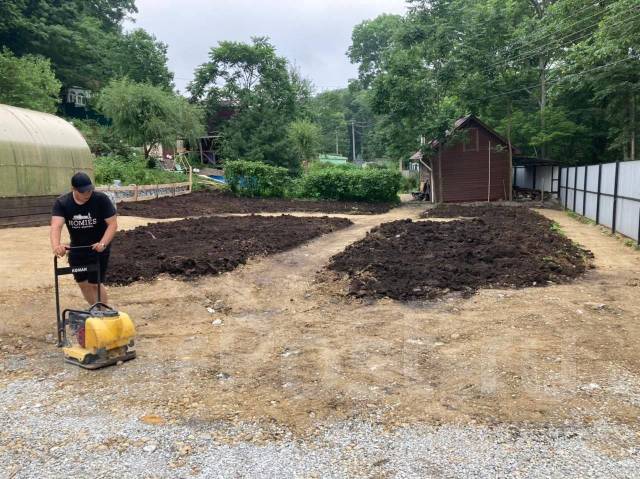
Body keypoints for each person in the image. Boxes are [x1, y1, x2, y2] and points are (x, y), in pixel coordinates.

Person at [50, 172, 118, 305]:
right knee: (82, 283)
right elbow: (56, 226)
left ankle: (103, 313)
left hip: (98, 247)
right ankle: (94, 310)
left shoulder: (101, 199)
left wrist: (103, 243)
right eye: (83, 191)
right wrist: (56, 246)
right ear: (73, 189)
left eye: (89, 190)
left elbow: (112, 224)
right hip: (77, 247)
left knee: (95, 283)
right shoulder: (62, 203)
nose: (87, 193)